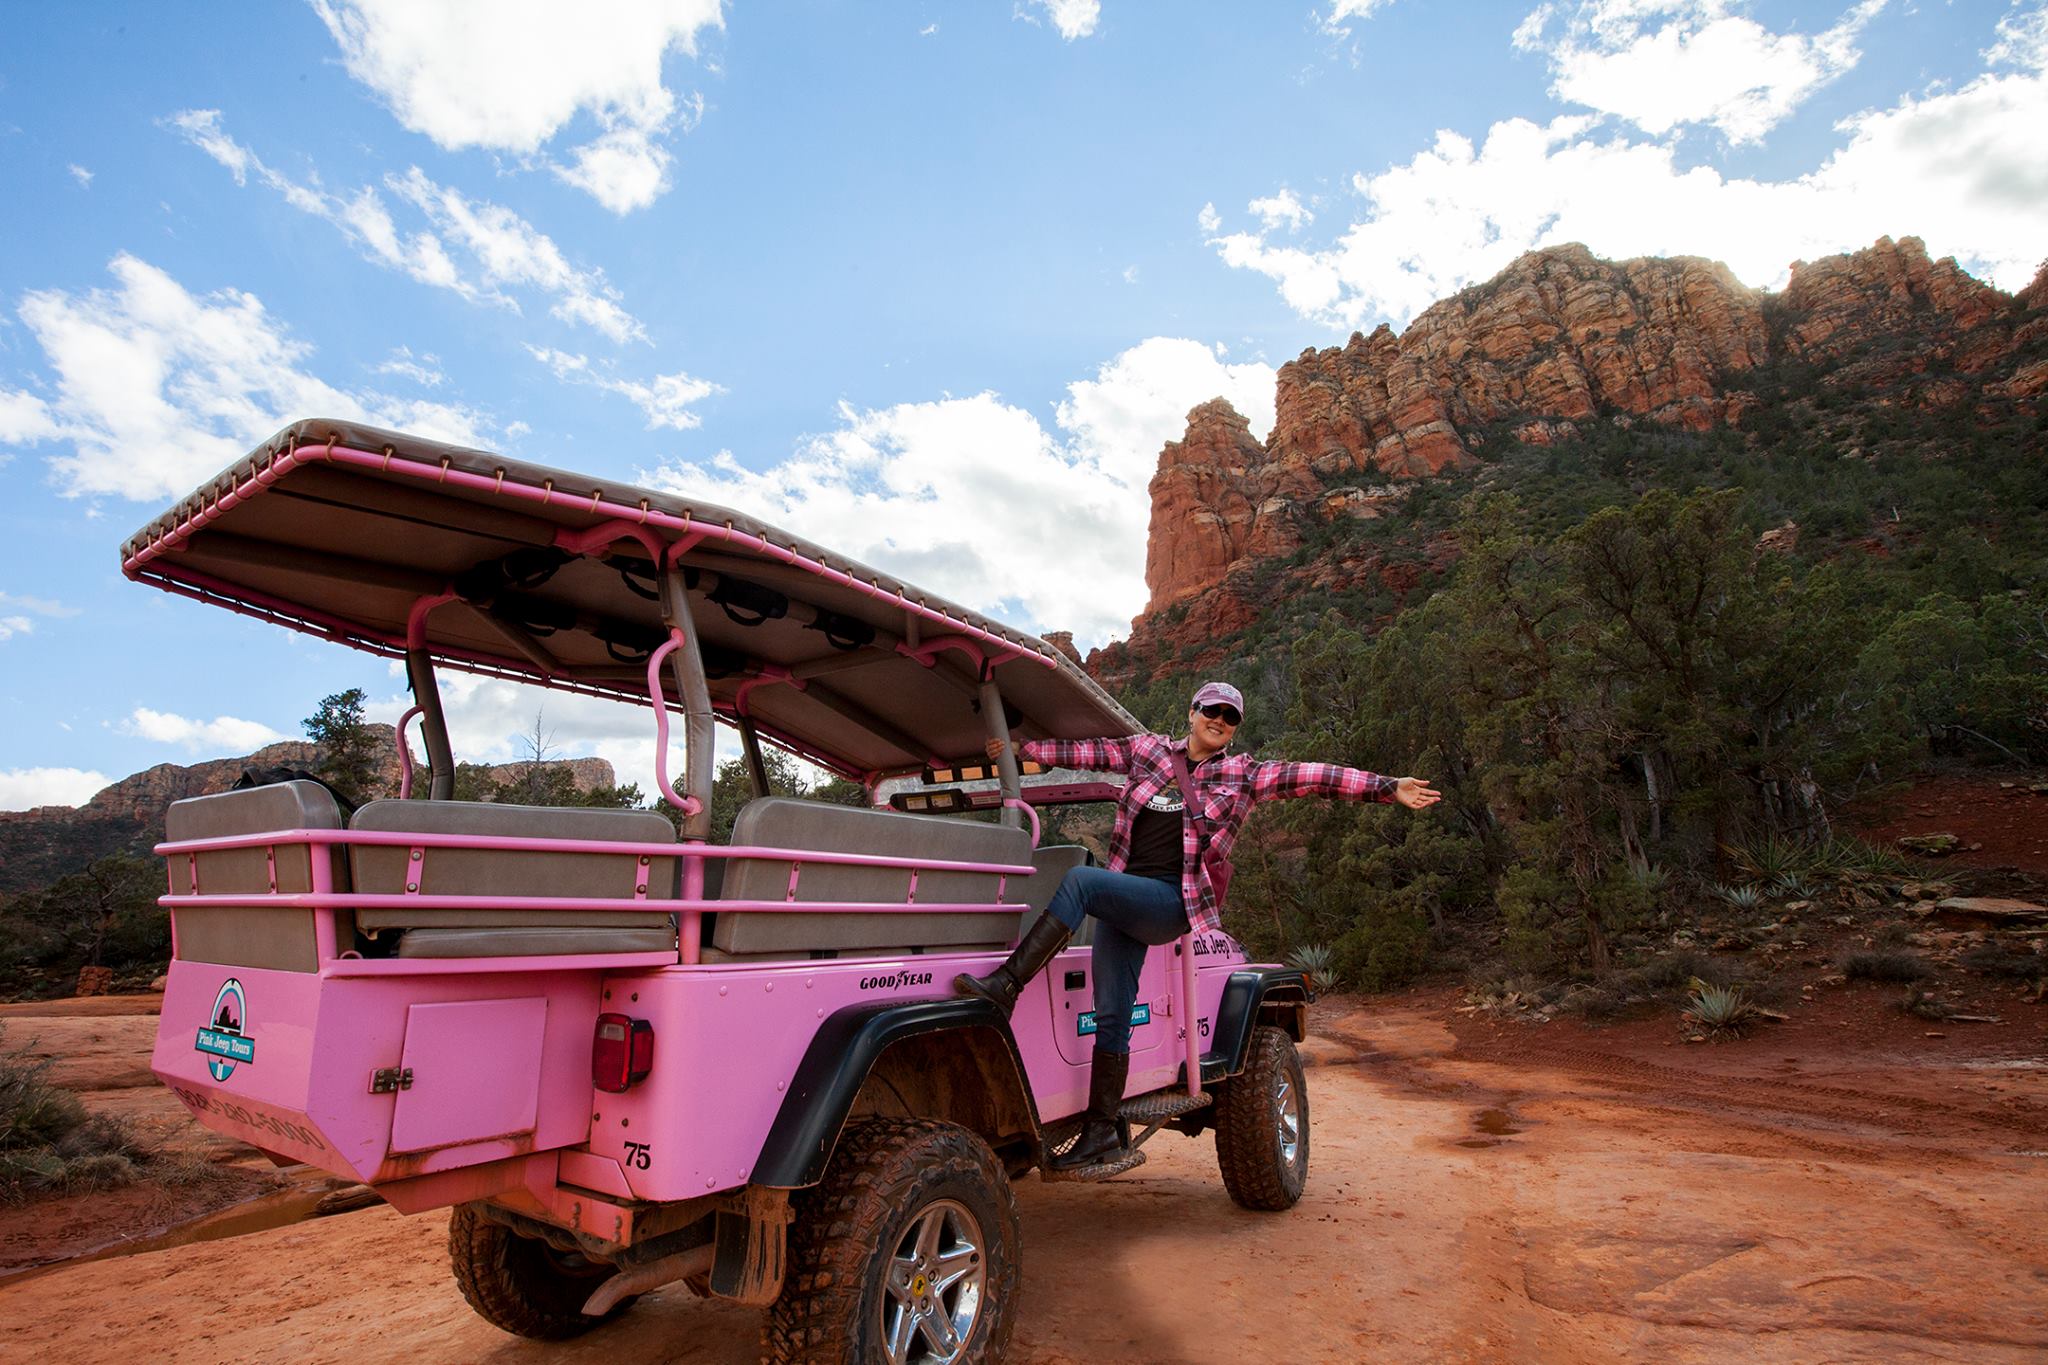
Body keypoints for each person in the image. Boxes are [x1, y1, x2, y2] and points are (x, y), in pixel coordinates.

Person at [955, 680, 1440, 1171]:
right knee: (1112, 1017)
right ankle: (1101, 1130)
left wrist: (1384, 787)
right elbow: (1091, 752)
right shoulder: (1149, 751)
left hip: (1173, 901)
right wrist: (1023, 750)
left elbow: (1312, 776)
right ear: (1192, 712)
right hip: (1128, 895)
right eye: (1212, 710)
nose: (1220, 721)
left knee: (1081, 882)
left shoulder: (1243, 773)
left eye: (1231, 717)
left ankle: (1006, 987)